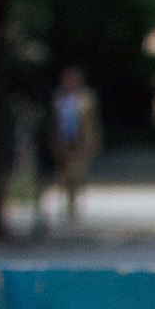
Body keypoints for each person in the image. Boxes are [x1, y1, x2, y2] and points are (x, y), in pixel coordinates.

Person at [47, 67, 100, 224]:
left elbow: (92, 122)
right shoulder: (59, 98)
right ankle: (68, 202)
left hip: (80, 142)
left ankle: (74, 204)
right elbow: (54, 122)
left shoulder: (87, 98)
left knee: (77, 173)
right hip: (63, 141)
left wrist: (92, 141)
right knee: (64, 175)